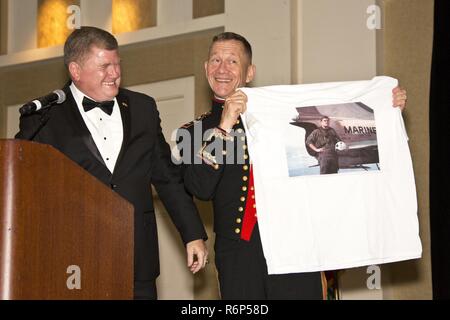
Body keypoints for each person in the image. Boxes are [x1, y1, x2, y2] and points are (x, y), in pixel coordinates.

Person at [177, 32, 407, 299]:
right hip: (238, 253)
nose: (222, 69)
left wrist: (386, 110)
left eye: (232, 61)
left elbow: (342, 128)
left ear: (249, 72)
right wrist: (224, 125)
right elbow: (199, 187)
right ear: (206, 69)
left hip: (294, 241)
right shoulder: (193, 130)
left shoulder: (280, 114)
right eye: (215, 60)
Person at [15, 26, 208, 300]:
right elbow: (25, 186)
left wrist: (193, 234)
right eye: (104, 66)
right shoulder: (45, 117)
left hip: (137, 261)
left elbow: (168, 178)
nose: (115, 73)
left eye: (117, 64)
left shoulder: (143, 109)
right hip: (72, 264)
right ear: (75, 71)